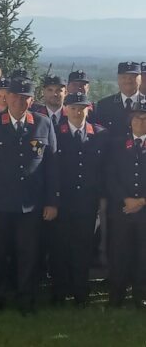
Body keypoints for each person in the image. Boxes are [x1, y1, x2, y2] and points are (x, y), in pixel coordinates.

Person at [0, 78, 57, 314]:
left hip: (31, 205)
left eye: (25, 97)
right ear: (6, 97)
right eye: (15, 96)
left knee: (29, 256)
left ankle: (26, 301)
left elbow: (51, 166)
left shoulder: (42, 123)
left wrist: (51, 201)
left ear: (32, 100)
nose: (20, 101)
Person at [48, 92, 108, 306]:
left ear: (88, 109)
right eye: (73, 107)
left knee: (82, 248)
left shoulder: (100, 134)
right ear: (65, 109)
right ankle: (59, 291)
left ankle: (80, 292)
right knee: (60, 248)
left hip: (87, 203)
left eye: (81, 107)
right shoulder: (55, 132)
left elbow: (104, 169)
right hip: (62, 202)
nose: (77, 111)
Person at [106, 98, 146, 308]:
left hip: (144, 212)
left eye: (145, 119)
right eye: (137, 118)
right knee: (119, 254)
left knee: (143, 255)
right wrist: (126, 199)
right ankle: (116, 295)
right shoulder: (117, 144)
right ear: (130, 121)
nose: (141, 122)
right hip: (121, 210)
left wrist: (141, 201)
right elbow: (110, 176)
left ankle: (141, 296)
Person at [96, 62, 144, 138]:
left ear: (141, 79)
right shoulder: (104, 105)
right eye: (124, 77)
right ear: (118, 79)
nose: (128, 81)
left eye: (132, 77)